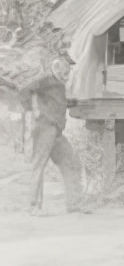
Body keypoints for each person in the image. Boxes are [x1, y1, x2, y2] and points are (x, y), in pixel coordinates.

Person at [19, 51, 84, 214]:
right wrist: (32, 111)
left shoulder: (58, 84)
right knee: (39, 165)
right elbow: (24, 90)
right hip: (44, 127)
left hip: (56, 131)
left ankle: (73, 204)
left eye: (68, 71)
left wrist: (72, 102)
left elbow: (56, 102)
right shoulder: (45, 80)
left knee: (71, 162)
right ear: (56, 67)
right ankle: (33, 206)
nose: (68, 74)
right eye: (65, 71)